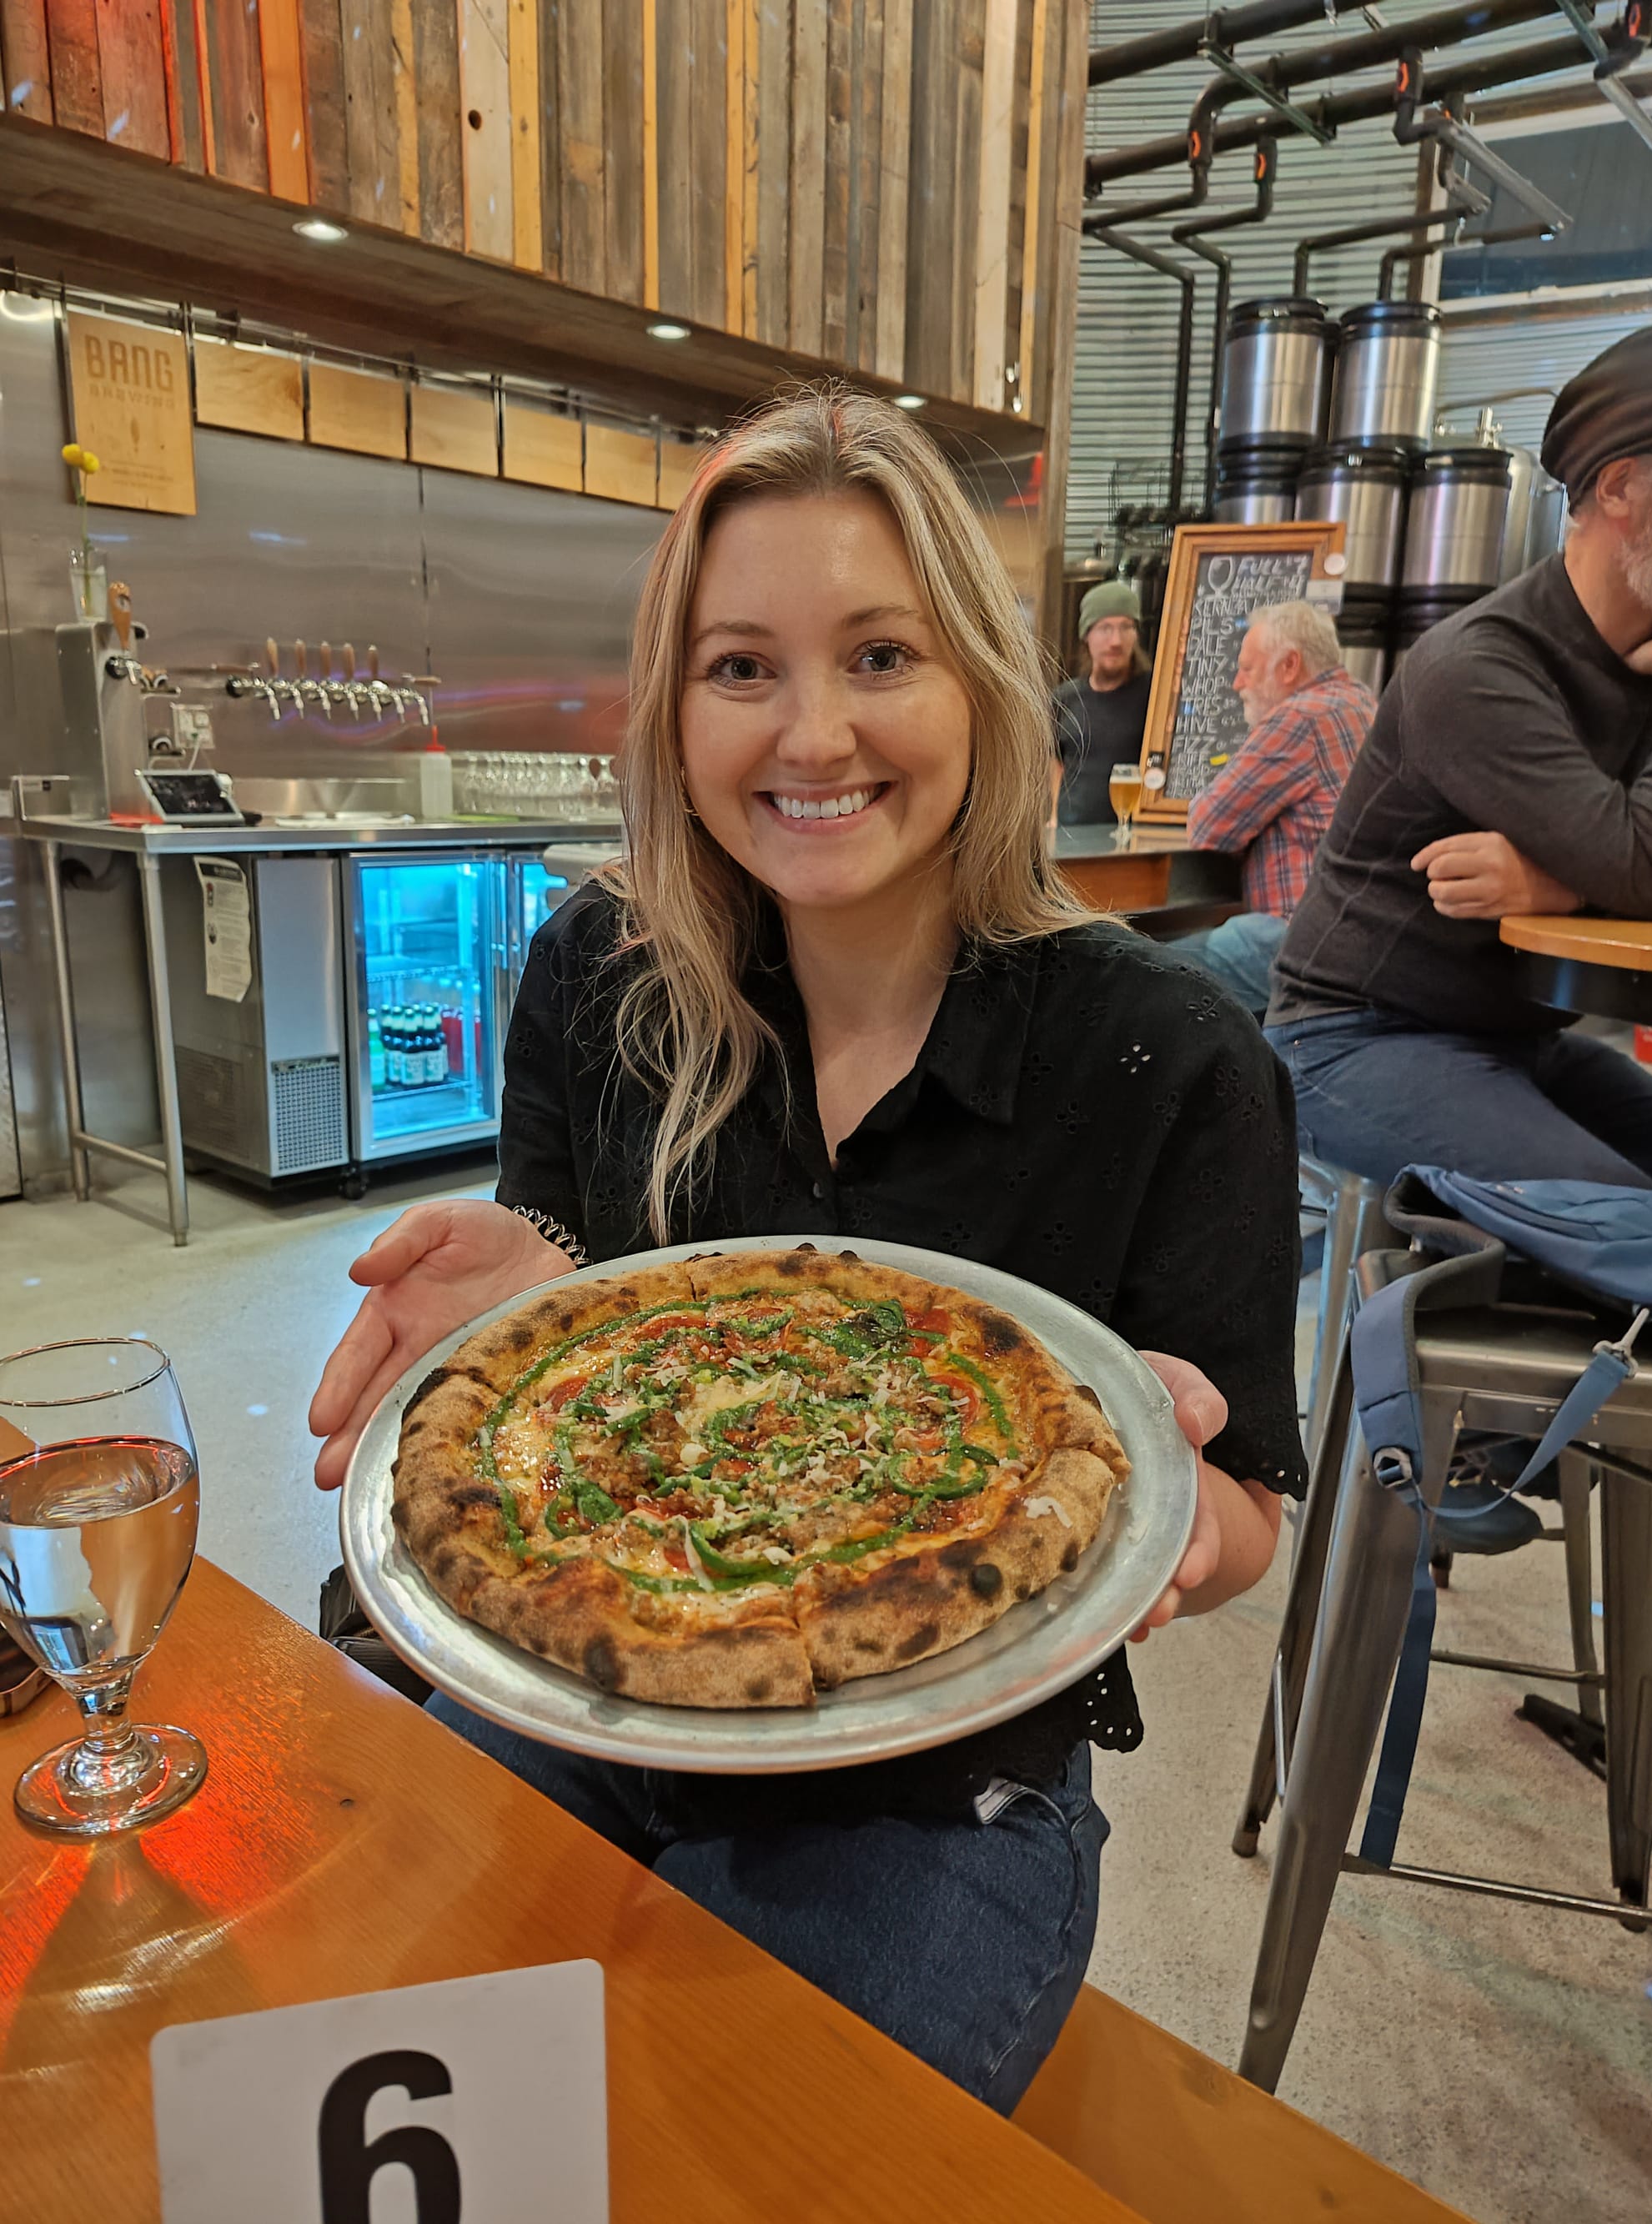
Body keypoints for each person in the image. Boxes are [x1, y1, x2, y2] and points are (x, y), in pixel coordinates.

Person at [309, 389, 1303, 2114]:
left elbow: (1243, 1529)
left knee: (716, 2149)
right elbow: (571, 1253)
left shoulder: (1166, 1057)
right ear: (674, 711)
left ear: (982, 684)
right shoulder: (596, 974)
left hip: (940, 1792)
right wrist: (526, 1269)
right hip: (559, 1694)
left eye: (880, 654)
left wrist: (1173, 1506)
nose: (814, 733)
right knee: (368, 2049)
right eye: (740, 666)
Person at [1265, 324, 1652, 1192]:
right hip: (1355, 1039)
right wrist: (1606, 874)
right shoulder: (1478, 668)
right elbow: (1642, 865)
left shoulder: (1644, 661)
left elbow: (1637, 861)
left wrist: (1563, 883)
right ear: (1619, 485)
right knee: (1636, 1226)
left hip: (1514, 1039)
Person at [1172, 600, 1374, 1017]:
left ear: (1289, 667)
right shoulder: (1364, 703)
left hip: (1301, 937)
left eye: (1247, 668)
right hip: (1365, 942)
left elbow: (1208, 825)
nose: (1236, 682)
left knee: (1140, 970)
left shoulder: (1299, 717)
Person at [1050, 580, 1152, 823]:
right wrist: (1053, 816)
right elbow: (1054, 762)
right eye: (1105, 628)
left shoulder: (1153, 695)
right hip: (1072, 837)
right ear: (1087, 635)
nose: (1116, 640)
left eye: (1126, 627)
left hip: (1131, 838)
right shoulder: (1065, 697)